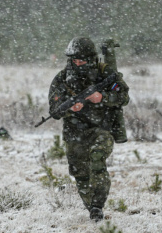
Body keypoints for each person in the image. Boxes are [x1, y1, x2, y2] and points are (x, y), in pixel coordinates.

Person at [48, 36, 130, 221]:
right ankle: (91, 209)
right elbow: (54, 109)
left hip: (102, 129)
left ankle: (97, 206)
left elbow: (123, 96)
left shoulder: (105, 74)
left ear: (90, 58)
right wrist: (69, 109)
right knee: (80, 172)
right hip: (74, 132)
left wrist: (102, 97)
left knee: (97, 159)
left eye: (81, 60)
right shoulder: (62, 78)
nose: (77, 64)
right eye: (74, 60)